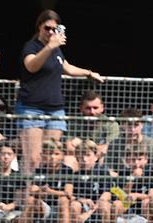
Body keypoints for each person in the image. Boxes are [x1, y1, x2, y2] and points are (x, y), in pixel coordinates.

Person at [17, 11, 104, 173]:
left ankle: (43, 196)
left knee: (51, 159)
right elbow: (31, 66)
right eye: (47, 28)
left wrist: (89, 73)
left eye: (54, 29)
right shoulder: (32, 46)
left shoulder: (56, 49)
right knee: (33, 159)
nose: (50, 32)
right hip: (32, 109)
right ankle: (24, 198)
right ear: (39, 27)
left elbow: (67, 67)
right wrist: (50, 46)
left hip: (55, 109)